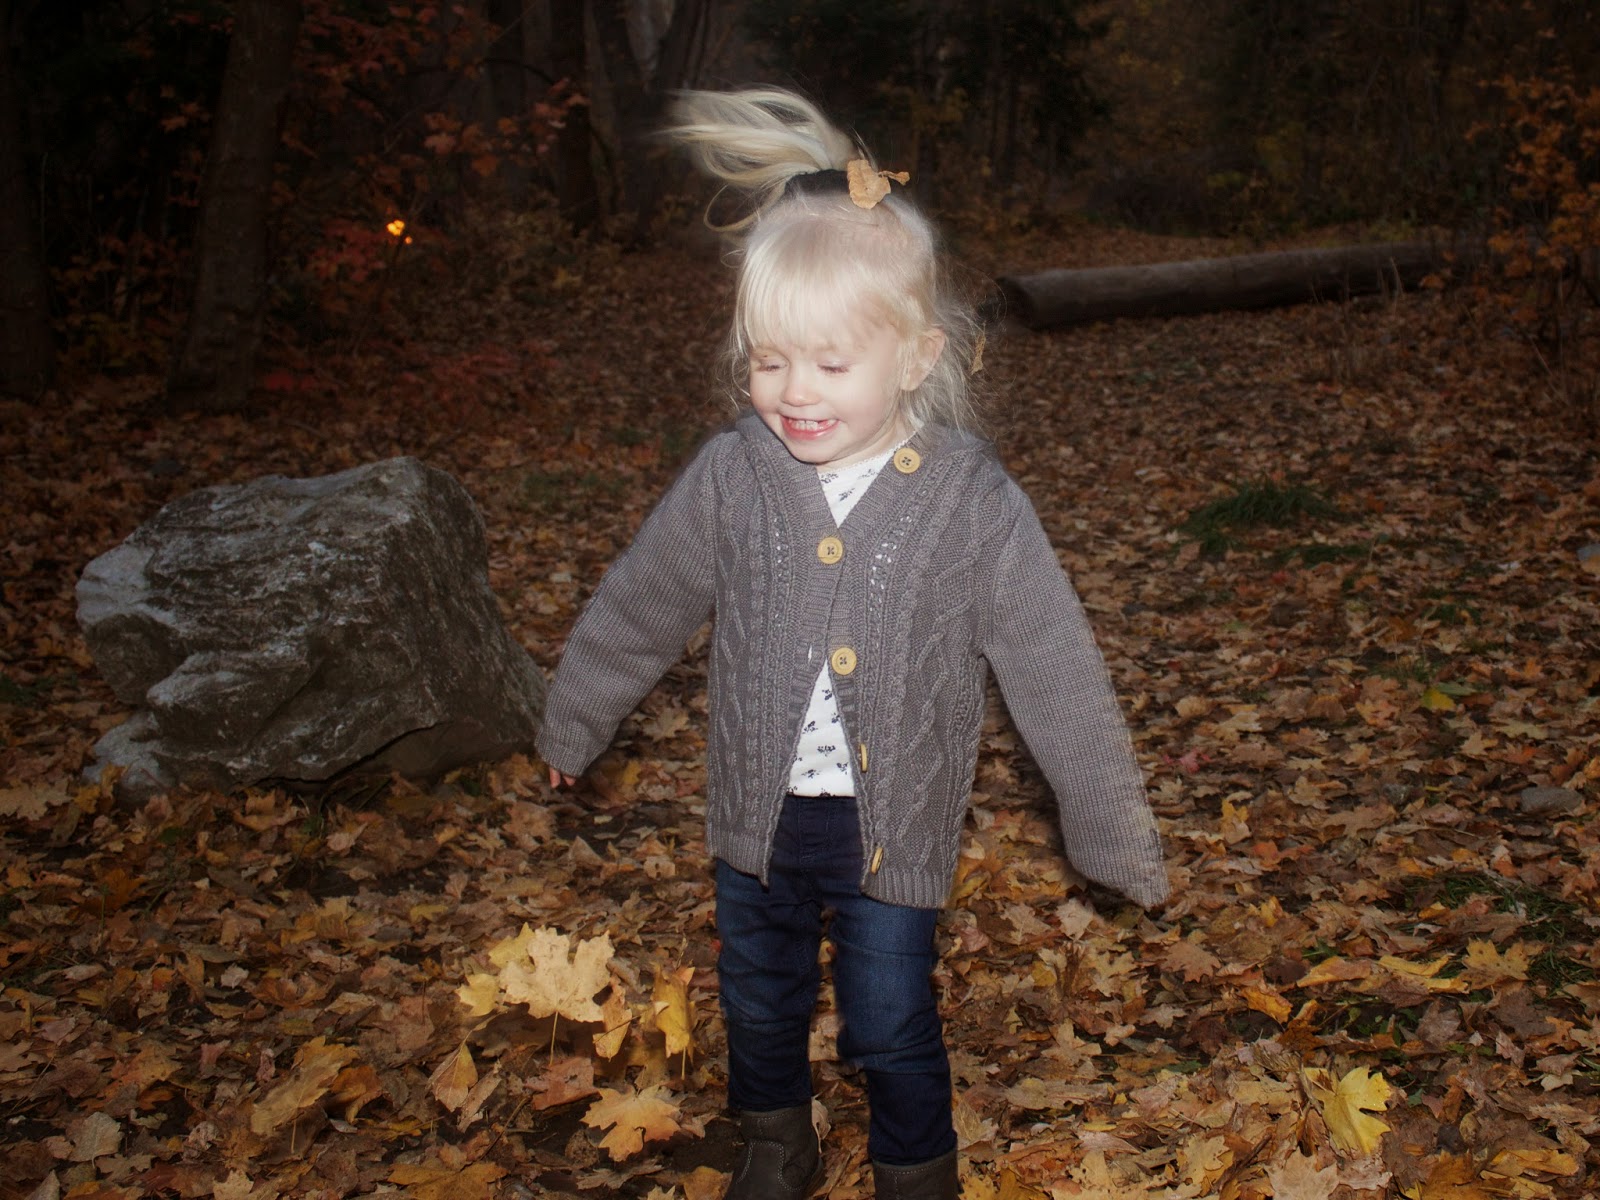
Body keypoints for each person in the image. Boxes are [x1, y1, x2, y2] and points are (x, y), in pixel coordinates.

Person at [537, 87, 1169, 1200]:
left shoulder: (969, 503)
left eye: (829, 366)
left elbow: (1053, 665)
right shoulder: (735, 476)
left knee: (887, 1018)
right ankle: (774, 1143)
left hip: (893, 826)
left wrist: (1109, 826)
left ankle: (917, 1174)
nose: (793, 394)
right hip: (758, 814)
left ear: (918, 356)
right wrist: (574, 718)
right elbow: (643, 601)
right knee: (757, 998)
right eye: (767, 362)